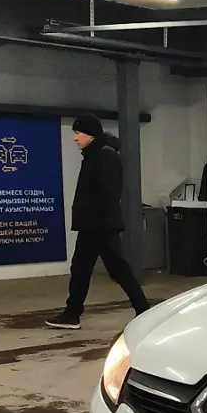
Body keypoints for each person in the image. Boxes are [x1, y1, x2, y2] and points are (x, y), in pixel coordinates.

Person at [47, 114, 150, 330]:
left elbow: (108, 192)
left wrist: (95, 217)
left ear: (91, 134)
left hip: (100, 225)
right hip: (92, 225)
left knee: (116, 269)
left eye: (78, 133)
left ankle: (143, 309)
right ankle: (72, 313)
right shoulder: (94, 154)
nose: (75, 138)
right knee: (81, 268)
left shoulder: (105, 155)